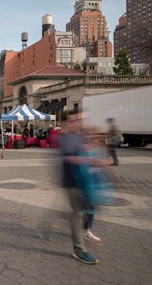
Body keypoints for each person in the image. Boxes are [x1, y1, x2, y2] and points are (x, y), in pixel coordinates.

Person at [59, 110, 106, 265]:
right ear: (66, 123)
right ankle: (79, 250)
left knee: (86, 211)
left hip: (85, 181)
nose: (76, 123)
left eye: (78, 120)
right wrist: (90, 159)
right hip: (71, 182)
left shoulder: (81, 136)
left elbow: (93, 146)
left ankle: (59, 221)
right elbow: (70, 158)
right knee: (78, 214)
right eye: (72, 121)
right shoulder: (65, 139)